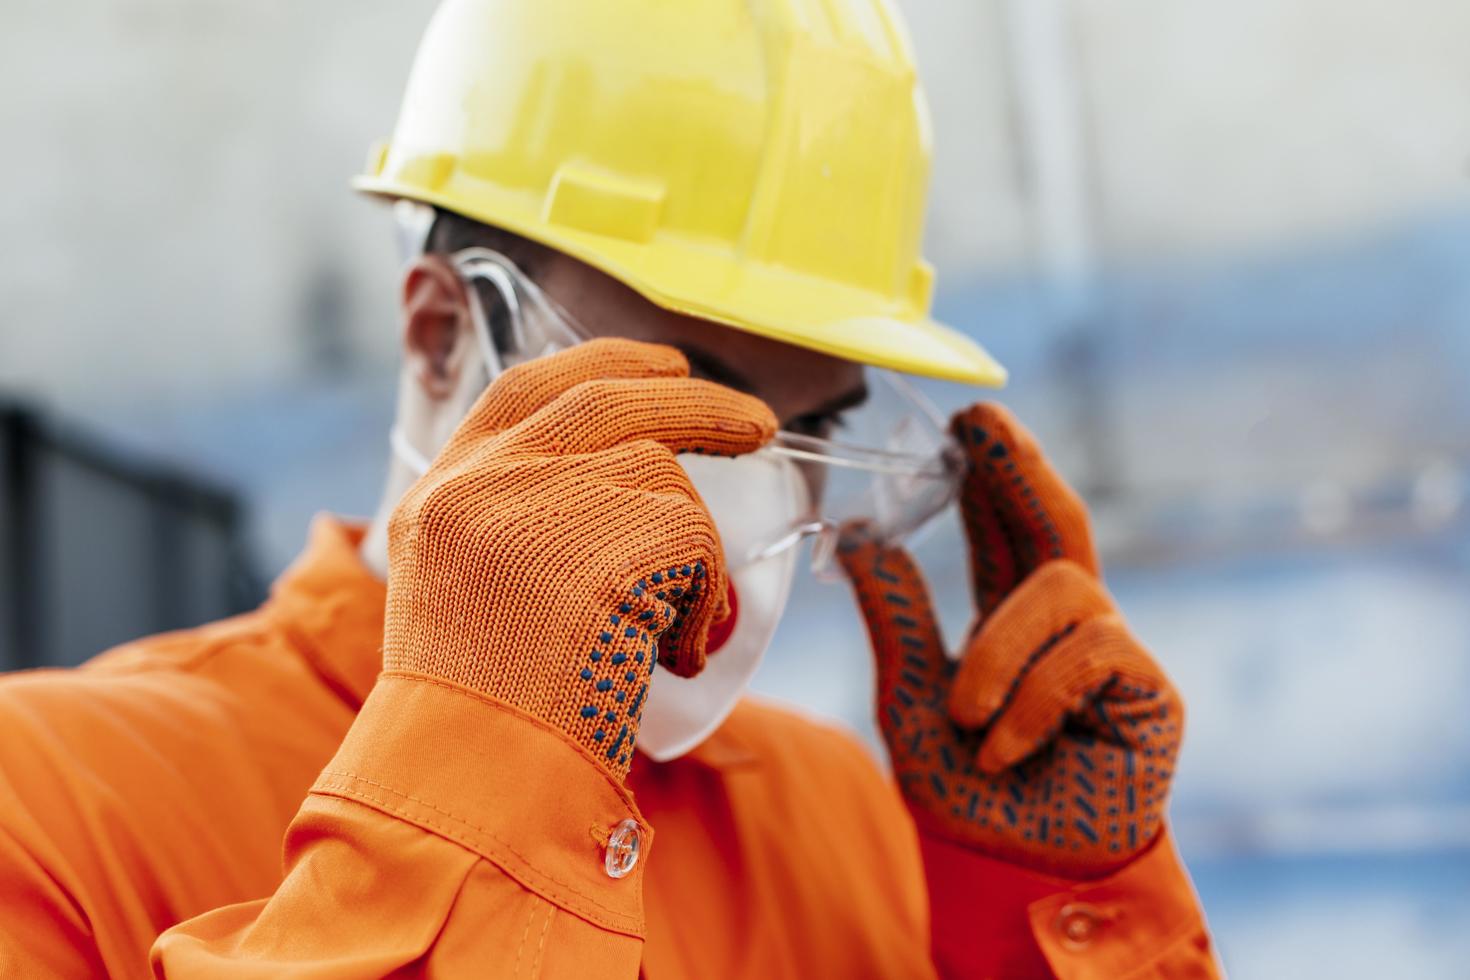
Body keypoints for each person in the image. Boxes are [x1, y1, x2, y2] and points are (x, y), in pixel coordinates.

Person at [0, 0, 1218, 976]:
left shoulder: (847, 823)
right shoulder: (51, 805)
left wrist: (1051, 923)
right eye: (686, 399)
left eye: (812, 433)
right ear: (438, 336)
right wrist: (472, 802)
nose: (756, 509)